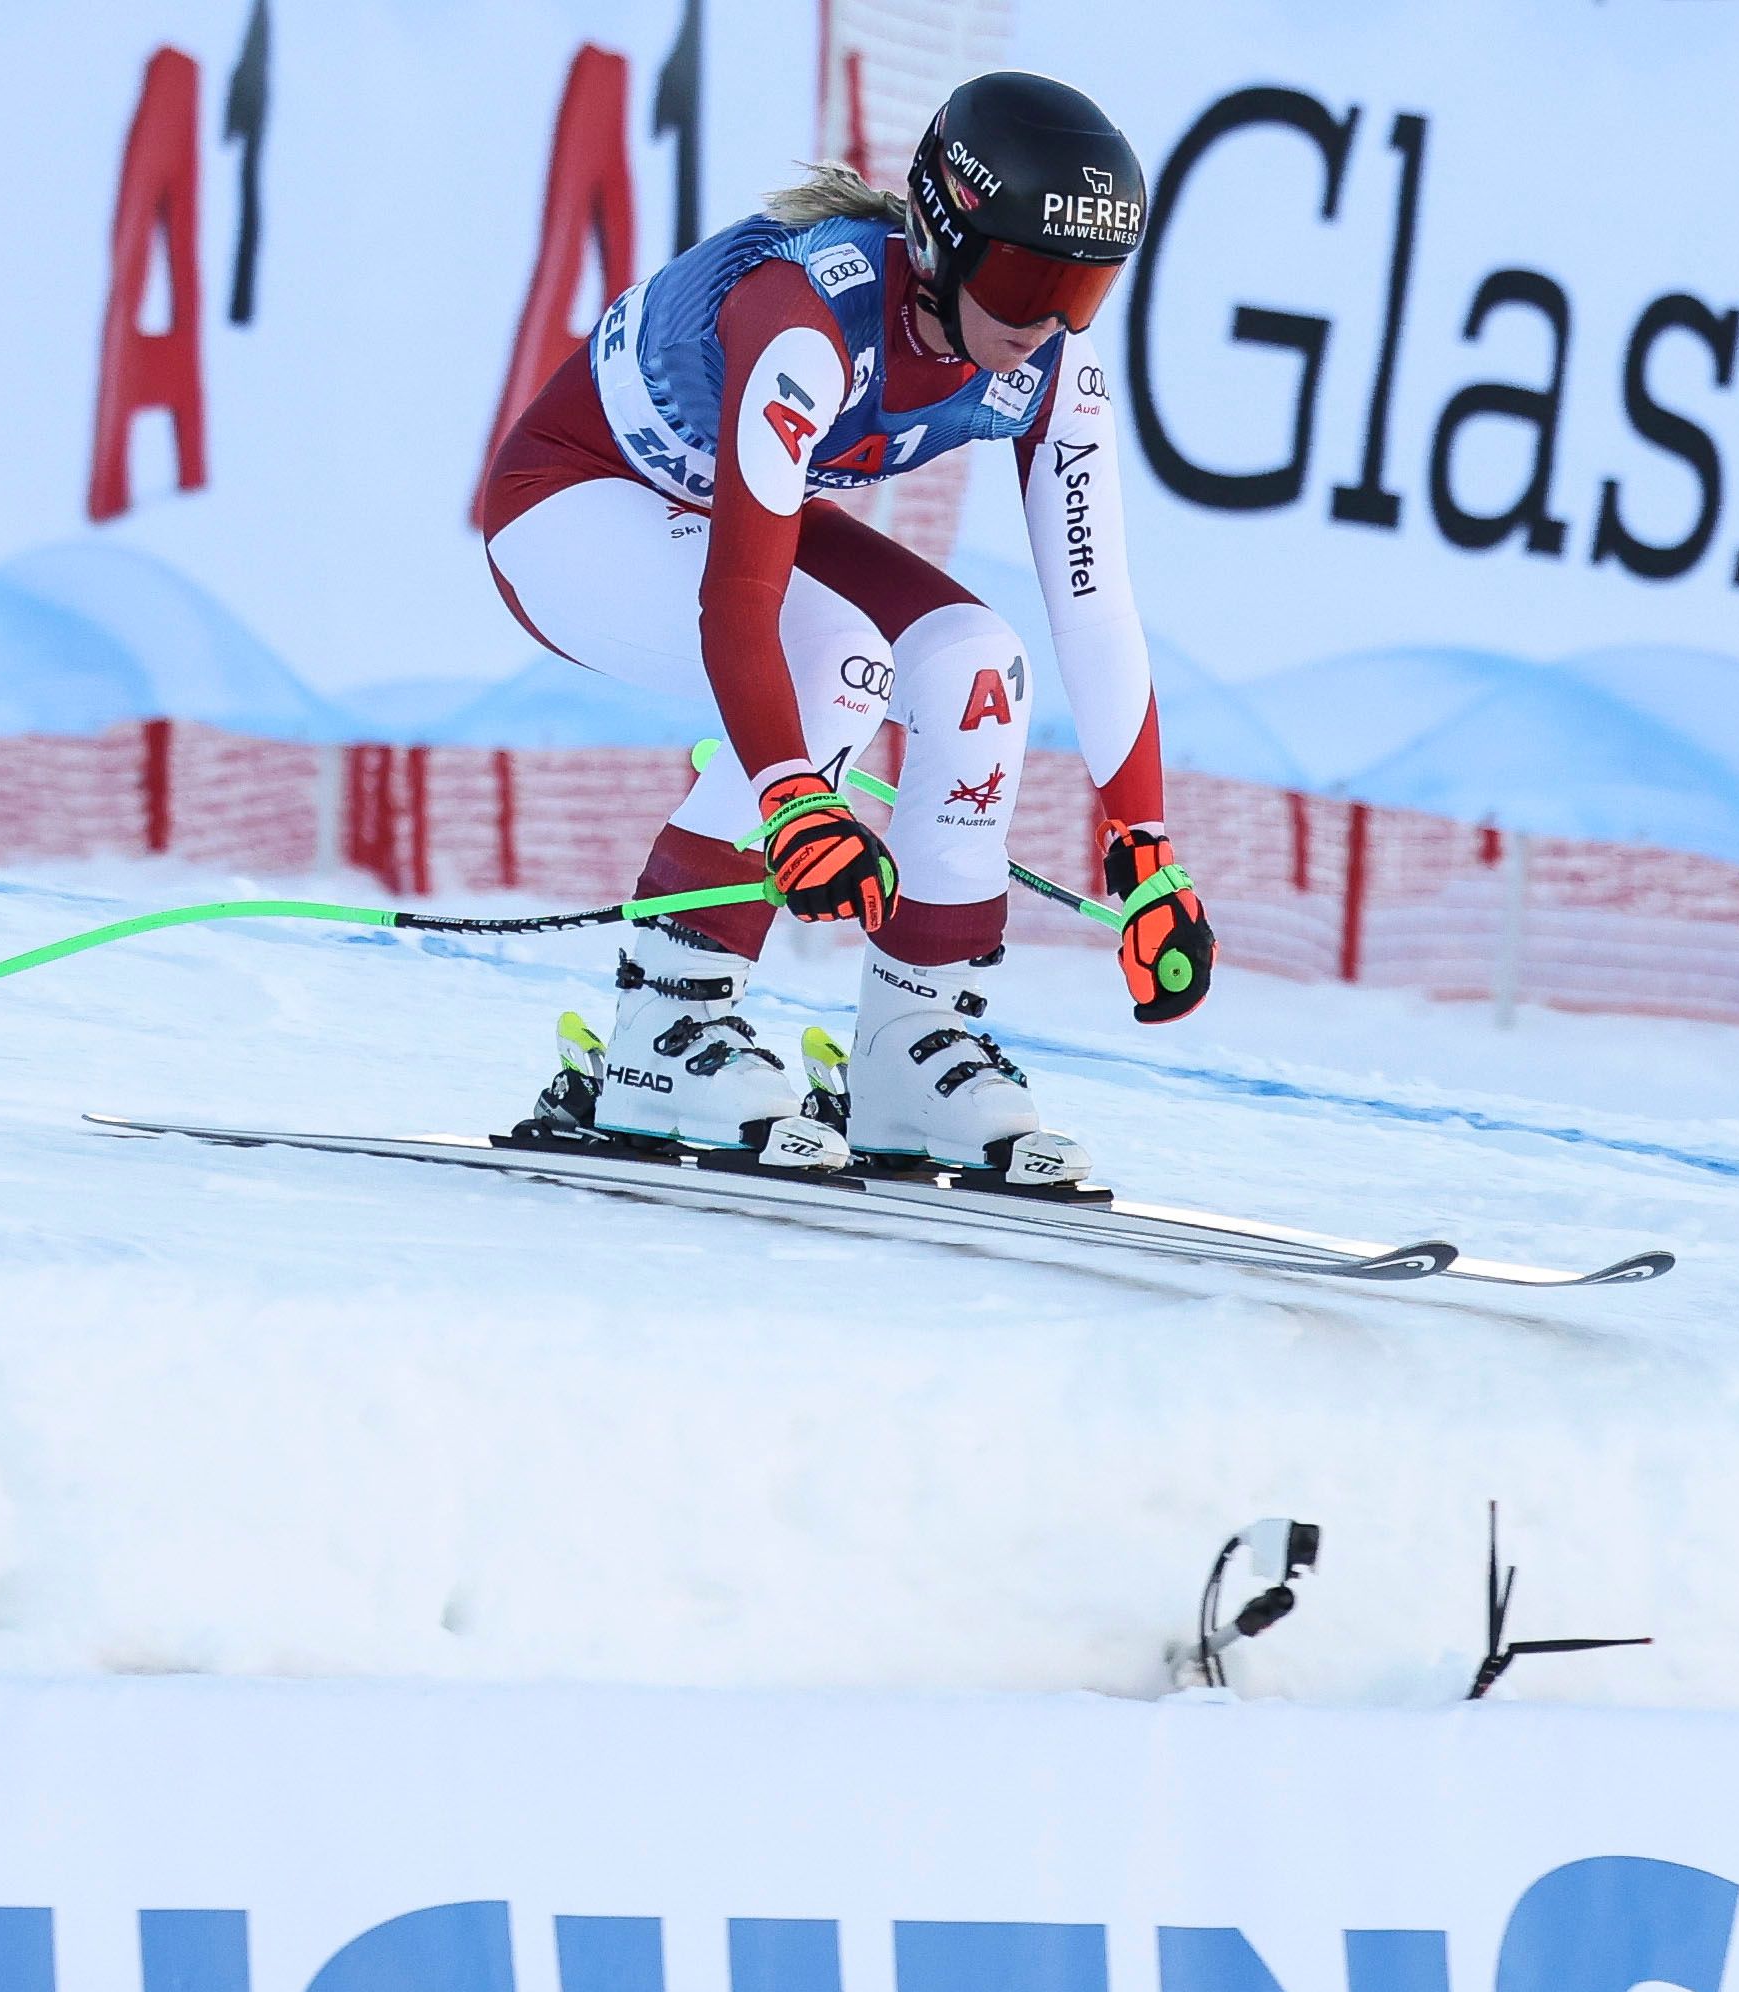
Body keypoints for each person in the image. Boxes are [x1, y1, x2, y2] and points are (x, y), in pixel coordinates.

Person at [479, 71, 1213, 1186]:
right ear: (941, 241)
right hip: (572, 509)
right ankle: (662, 1026)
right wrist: (789, 792)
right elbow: (739, 602)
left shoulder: (1050, 366)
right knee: (839, 659)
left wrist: (1143, 846)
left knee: (979, 665)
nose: (1046, 325)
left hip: (711, 512)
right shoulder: (807, 319)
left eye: (1084, 291)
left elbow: (1094, 601)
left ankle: (907, 1050)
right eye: (1024, 279)